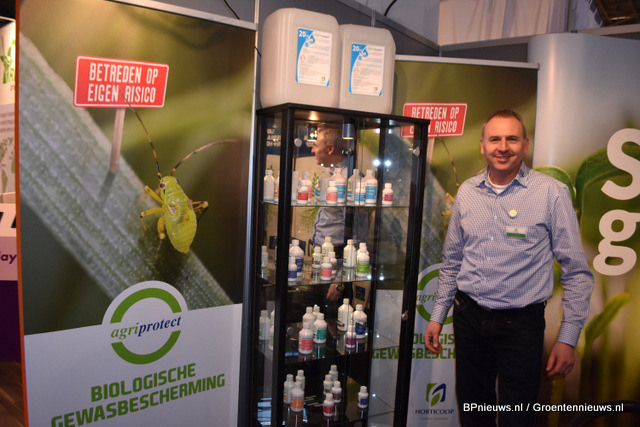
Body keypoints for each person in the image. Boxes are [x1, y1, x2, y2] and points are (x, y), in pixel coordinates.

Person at [424, 110, 594, 426]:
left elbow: (577, 271)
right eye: (495, 139)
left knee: (518, 417)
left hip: (522, 325)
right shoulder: (467, 192)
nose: (503, 147)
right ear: (482, 146)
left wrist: (568, 337)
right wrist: (437, 316)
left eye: (512, 139)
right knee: (473, 412)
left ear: (525, 145)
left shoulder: (550, 193)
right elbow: (452, 261)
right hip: (469, 319)